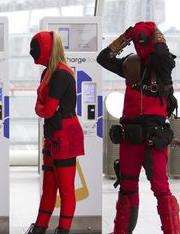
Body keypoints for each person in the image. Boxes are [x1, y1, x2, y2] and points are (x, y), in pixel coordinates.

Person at [97, 21, 179, 234]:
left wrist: (156, 34)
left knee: (161, 189)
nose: (140, 43)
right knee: (127, 188)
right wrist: (125, 38)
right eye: (137, 40)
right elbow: (103, 58)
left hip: (154, 138)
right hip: (130, 137)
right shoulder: (130, 64)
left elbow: (160, 54)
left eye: (143, 39)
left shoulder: (163, 63)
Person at [25, 31, 85, 234]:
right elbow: (44, 108)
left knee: (66, 188)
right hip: (52, 135)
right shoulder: (49, 72)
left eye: (36, 47)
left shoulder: (60, 74)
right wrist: (43, 107)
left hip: (66, 135)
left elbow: (45, 109)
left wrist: (42, 107)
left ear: (47, 48)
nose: (32, 52)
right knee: (49, 186)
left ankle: (63, 230)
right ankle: (40, 227)